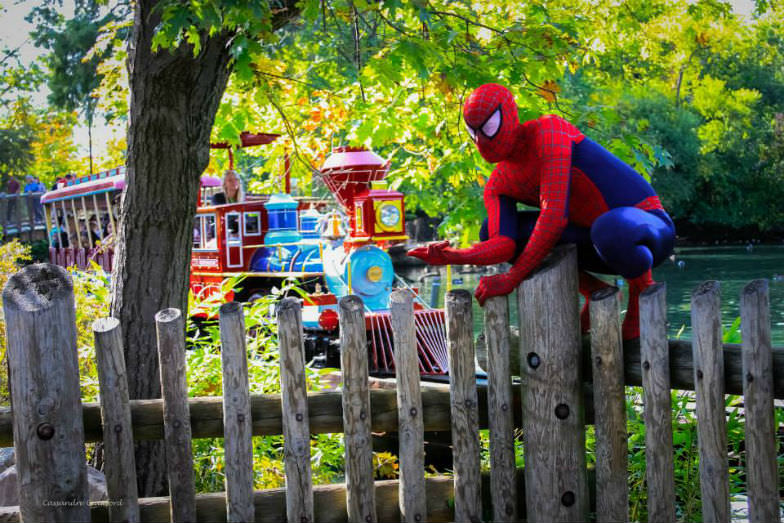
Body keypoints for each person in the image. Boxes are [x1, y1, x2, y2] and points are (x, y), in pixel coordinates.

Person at [408, 83, 675, 340]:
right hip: (594, 239)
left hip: (648, 227)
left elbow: (553, 215)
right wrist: (452, 255)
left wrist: (512, 278)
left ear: (509, 116)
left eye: (489, 127)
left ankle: (641, 289)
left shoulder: (549, 132)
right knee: (489, 229)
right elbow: (503, 246)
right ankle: (595, 291)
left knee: (610, 227)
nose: (481, 141)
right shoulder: (499, 183)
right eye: (473, 132)